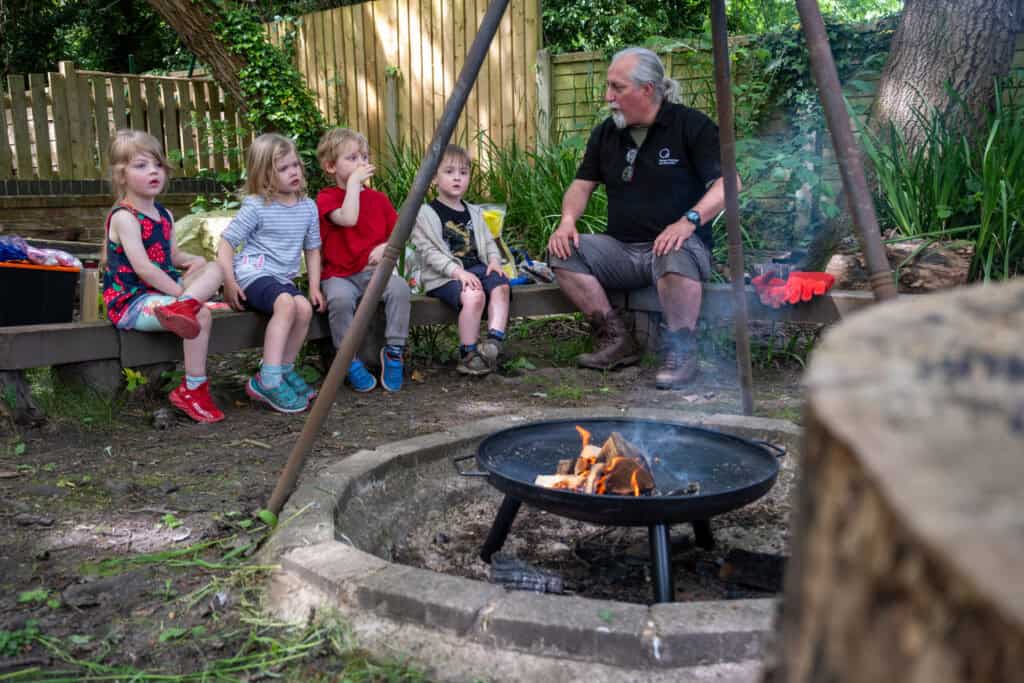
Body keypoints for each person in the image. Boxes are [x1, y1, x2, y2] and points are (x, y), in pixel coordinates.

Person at [547, 47, 738, 389]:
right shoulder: (606, 133)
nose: (609, 97)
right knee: (564, 250)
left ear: (647, 89)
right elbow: (581, 185)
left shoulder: (690, 126)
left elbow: (729, 184)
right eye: (609, 87)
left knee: (671, 249)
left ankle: (682, 351)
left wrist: (688, 221)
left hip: (681, 250)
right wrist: (567, 221)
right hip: (622, 249)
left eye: (617, 88)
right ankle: (616, 339)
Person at [102, 129, 225, 422]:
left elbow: (173, 258)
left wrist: (194, 261)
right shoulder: (124, 217)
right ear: (121, 176)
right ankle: (194, 388)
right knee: (202, 316)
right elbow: (144, 267)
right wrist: (179, 294)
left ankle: (187, 306)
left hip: (168, 295)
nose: (153, 171)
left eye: (157, 165)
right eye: (141, 166)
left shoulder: (164, 214)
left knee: (215, 267)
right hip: (133, 302)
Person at [218, 133, 323, 414]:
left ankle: (284, 370)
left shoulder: (307, 208)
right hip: (253, 273)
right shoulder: (257, 206)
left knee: (303, 307)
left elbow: (312, 249)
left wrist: (314, 287)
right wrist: (229, 280)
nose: (294, 172)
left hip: (280, 278)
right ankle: (268, 379)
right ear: (264, 175)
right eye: (283, 168)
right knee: (287, 304)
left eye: (296, 165)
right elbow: (226, 243)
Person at [315, 128, 410, 392]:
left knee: (399, 289)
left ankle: (394, 350)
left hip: (372, 273)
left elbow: (399, 234)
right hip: (339, 275)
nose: (361, 163)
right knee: (340, 300)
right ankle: (348, 359)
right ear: (330, 166)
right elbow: (348, 218)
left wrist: (386, 247)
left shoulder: (379, 200)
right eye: (352, 158)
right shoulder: (326, 198)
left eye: (364, 157)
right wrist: (355, 185)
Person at [412, 144, 510, 376]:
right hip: (444, 277)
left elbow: (488, 242)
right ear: (434, 177)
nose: (457, 178)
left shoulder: (474, 211)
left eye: (463, 173)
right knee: (474, 297)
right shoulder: (425, 213)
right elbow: (429, 252)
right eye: (449, 172)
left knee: (501, 285)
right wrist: (458, 273)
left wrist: (495, 261)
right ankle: (468, 354)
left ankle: (494, 343)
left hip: (476, 268)